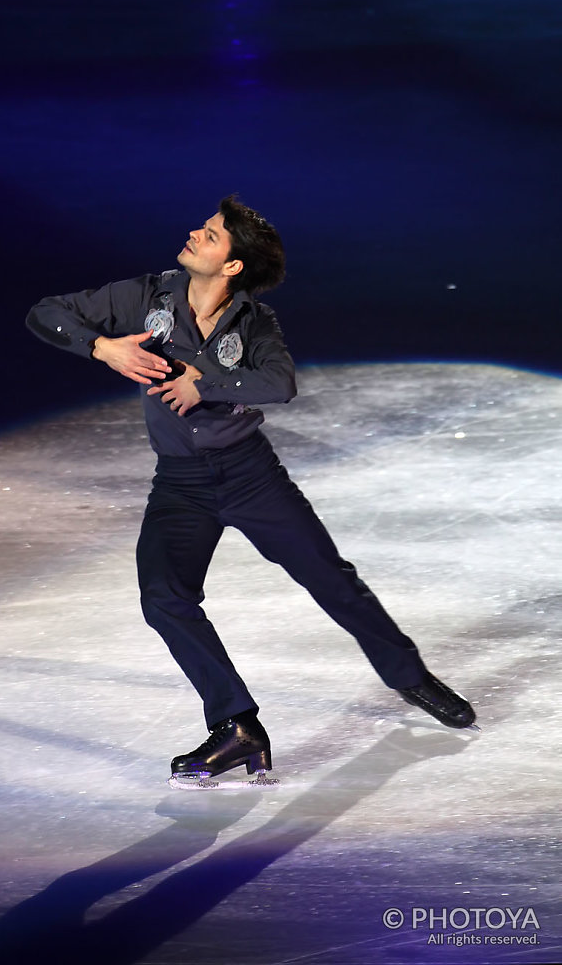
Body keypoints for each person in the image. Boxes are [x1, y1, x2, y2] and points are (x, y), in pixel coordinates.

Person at [26, 195, 476, 782]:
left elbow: (278, 382)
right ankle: (237, 723)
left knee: (330, 579)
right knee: (164, 596)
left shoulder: (255, 323)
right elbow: (45, 311)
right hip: (180, 484)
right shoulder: (148, 295)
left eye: (210, 235)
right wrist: (100, 346)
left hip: (250, 475)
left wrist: (204, 384)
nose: (194, 233)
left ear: (232, 265)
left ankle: (410, 677)